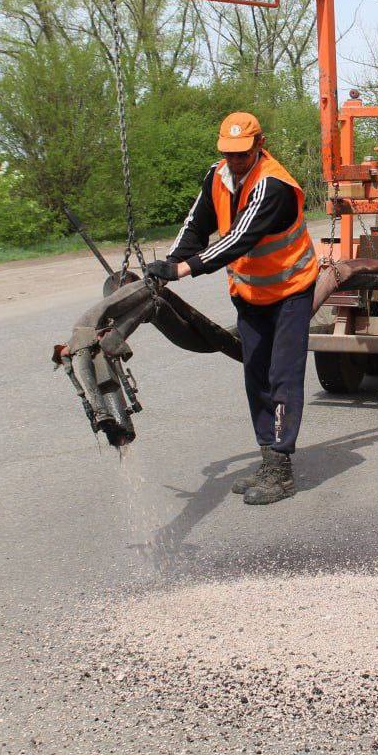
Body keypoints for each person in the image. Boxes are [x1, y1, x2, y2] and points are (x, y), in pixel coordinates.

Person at [145, 112, 319, 506]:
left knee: (282, 376)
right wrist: (168, 264)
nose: (235, 160)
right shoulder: (218, 176)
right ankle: (266, 456)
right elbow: (196, 224)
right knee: (254, 373)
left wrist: (184, 269)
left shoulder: (273, 184)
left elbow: (240, 238)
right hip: (250, 293)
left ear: (260, 144)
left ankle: (280, 468)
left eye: (242, 153)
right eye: (228, 153)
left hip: (291, 290)